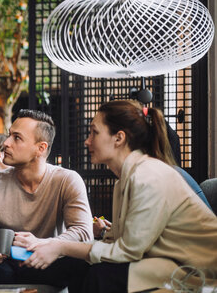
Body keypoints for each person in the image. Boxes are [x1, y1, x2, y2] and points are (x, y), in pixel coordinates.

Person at [19, 100, 217, 293]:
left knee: (101, 276)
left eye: (94, 132)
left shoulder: (147, 176)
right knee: (75, 265)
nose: (87, 141)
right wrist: (48, 244)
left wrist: (60, 247)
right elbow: (111, 243)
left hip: (199, 271)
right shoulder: (124, 180)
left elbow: (127, 252)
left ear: (119, 138)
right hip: (163, 262)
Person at [0, 109, 93, 288]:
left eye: (16, 138)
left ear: (40, 148)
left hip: (47, 262)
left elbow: (84, 233)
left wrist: (43, 244)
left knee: (84, 263)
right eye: (9, 135)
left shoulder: (67, 180)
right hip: (3, 263)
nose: (6, 143)